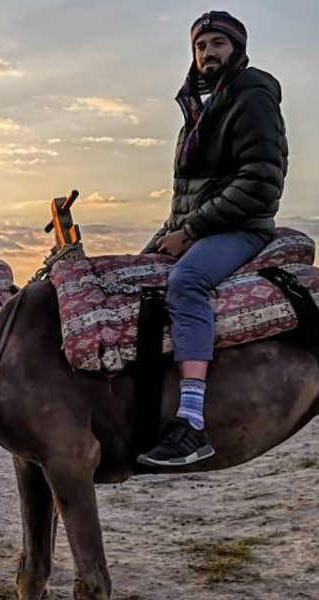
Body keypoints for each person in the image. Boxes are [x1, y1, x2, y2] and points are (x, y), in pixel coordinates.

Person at [138, 11, 287, 467]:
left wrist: (193, 230)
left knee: (186, 282)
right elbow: (188, 196)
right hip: (201, 225)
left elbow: (261, 180)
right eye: (201, 46)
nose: (208, 54)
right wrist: (163, 237)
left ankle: (192, 422)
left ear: (237, 49)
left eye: (218, 44)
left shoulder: (251, 96)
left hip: (241, 227)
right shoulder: (200, 112)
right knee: (134, 275)